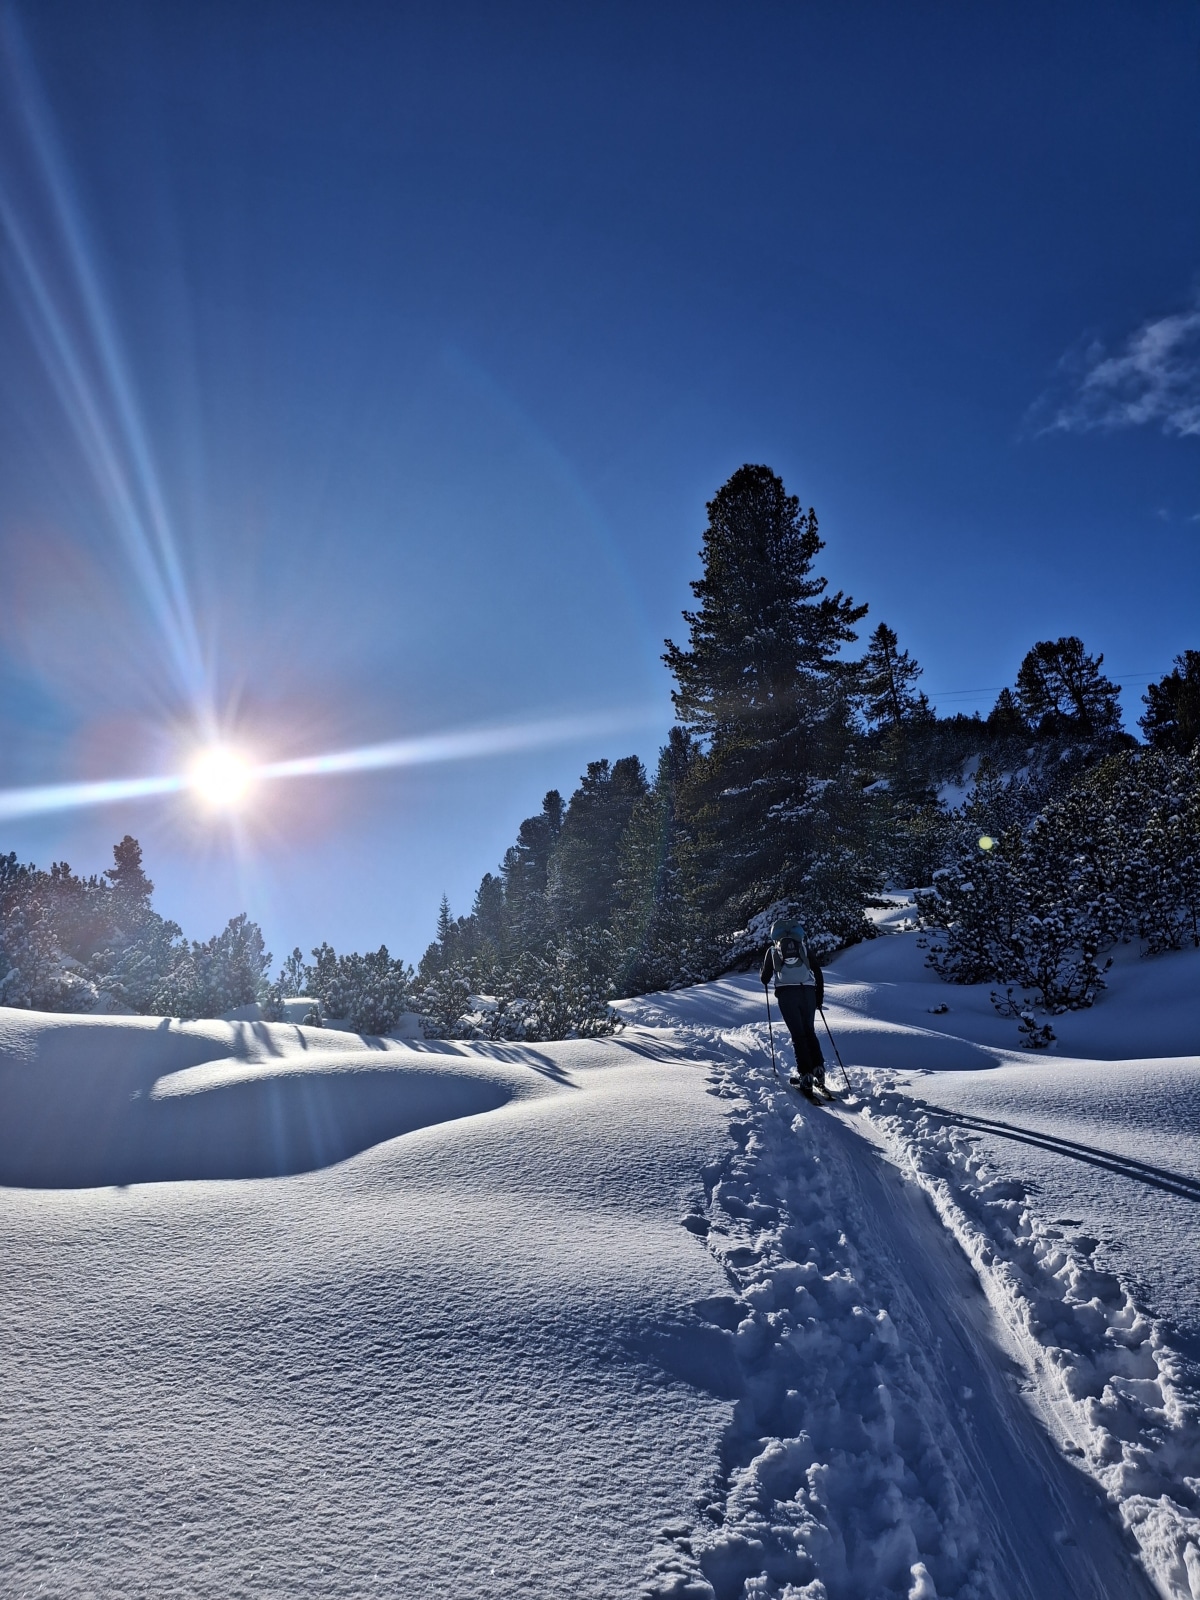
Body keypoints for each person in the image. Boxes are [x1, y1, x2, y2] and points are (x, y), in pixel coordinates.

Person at [760, 918, 826, 1091]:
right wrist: (818, 997)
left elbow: (765, 978)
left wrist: (766, 970)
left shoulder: (773, 950)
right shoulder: (803, 948)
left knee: (798, 1035)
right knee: (809, 1031)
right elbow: (817, 971)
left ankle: (805, 1075)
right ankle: (818, 1069)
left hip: (787, 994)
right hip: (808, 992)